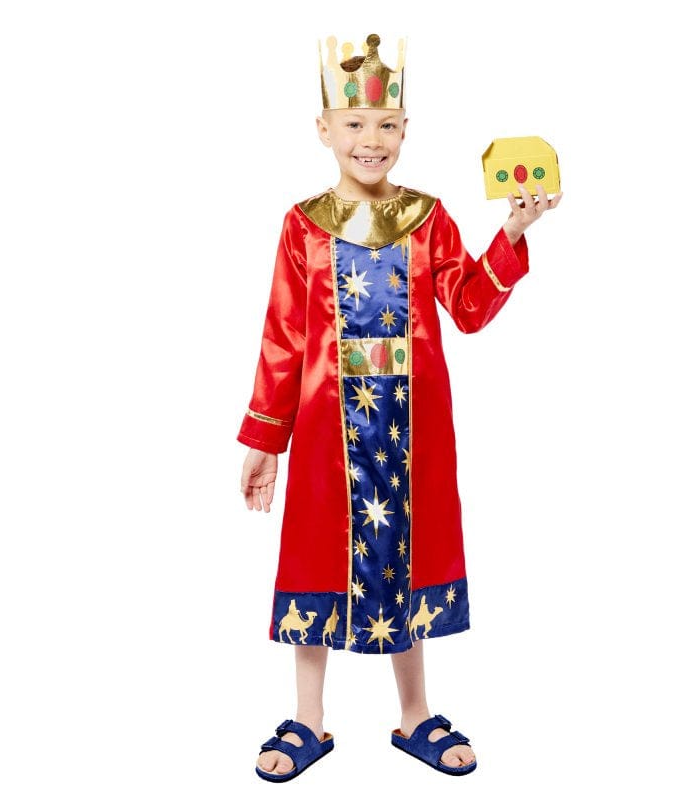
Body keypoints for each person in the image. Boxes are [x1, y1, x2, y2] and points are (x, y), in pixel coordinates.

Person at [237, 33, 562, 782]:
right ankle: (307, 719)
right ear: (325, 128)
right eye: (354, 123)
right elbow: (284, 337)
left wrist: (511, 234)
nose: (371, 139)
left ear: (406, 128)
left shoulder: (428, 218)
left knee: (405, 555)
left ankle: (415, 715)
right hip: (325, 432)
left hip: (413, 430)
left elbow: (469, 308)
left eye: (386, 124)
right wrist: (266, 440)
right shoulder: (303, 224)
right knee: (315, 554)